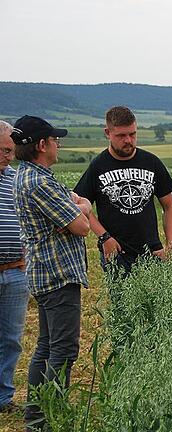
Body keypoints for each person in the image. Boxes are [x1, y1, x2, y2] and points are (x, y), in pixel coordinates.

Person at [10, 115, 91, 430]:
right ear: (42, 145)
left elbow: (75, 206)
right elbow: (82, 225)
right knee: (64, 349)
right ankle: (48, 416)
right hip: (58, 275)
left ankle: (36, 415)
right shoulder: (41, 182)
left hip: (43, 273)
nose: (59, 144)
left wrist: (75, 209)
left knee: (45, 345)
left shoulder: (27, 175)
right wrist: (79, 210)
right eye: (55, 140)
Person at [74, 106, 172, 277]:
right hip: (117, 255)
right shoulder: (98, 166)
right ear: (108, 133)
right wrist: (104, 238)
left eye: (132, 134)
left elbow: (170, 206)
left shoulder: (151, 162)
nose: (128, 140)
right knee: (121, 303)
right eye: (121, 136)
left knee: (156, 304)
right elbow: (83, 207)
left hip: (153, 254)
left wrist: (170, 247)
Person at [0, 121, 27, 414]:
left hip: (16, 269)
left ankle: (3, 398)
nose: (10, 156)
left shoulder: (16, 179)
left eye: (12, 151)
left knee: (11, 339)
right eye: (5, 150)